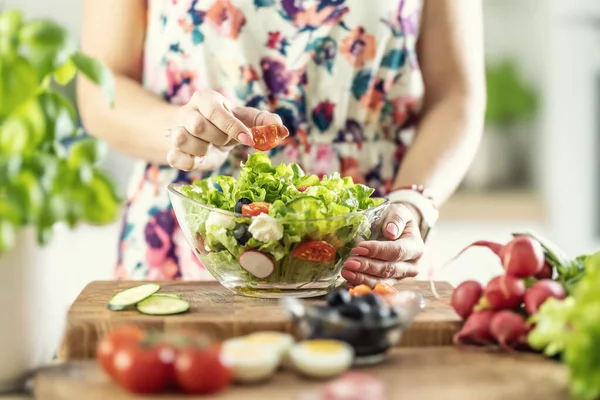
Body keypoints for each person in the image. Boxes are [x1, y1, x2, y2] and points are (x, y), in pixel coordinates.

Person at [78, 0, 485, 285]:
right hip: (198, 230)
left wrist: (413, 203)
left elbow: (456, 94)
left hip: (367, 237)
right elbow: (100, 91)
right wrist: (186, 129)